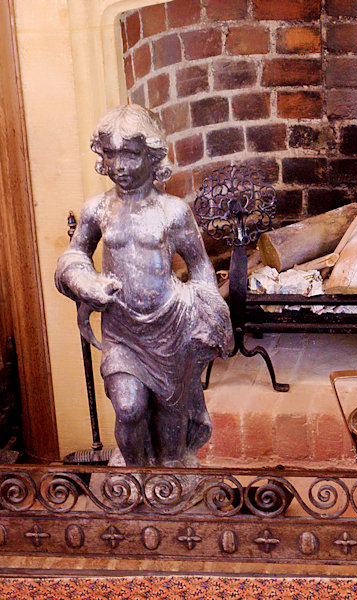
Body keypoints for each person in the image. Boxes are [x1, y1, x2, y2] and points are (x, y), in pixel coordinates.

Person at [56, 104, 232, 468]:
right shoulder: (98, 209)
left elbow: (201, 269)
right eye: (111, 154)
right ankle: (134, 473)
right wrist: (85, 283)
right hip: (122, 329)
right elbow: (73, 257)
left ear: (151, 156)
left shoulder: (173, 212)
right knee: (129, 406)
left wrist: (211, 317)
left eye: (131, 155)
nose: (120, 166)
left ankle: (171, 472)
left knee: (171, 413)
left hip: (171, 325)